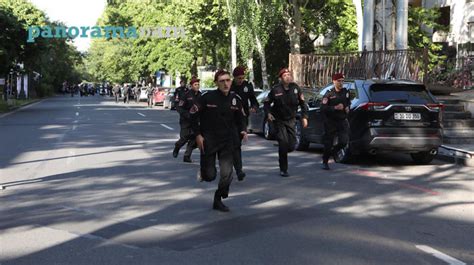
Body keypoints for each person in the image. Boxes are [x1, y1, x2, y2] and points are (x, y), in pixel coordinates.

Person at [190, 69, 247, 212]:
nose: (226, 83)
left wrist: (243, 130)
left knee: (227, 175)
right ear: (216, 83)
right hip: (209, 140)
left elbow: (241, 118)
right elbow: (192, 115)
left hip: (227, 141)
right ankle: (204, 173)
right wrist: (197, 135)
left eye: (228, 80)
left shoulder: (235, 98)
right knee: (210, 176)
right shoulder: (207, 97)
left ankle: (218, 198)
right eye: (222, 81)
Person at [263, 68, 308, 177]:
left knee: (292, 145)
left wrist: (304, 117)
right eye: (285, 75)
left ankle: (282, 151)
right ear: (281, 78)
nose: (288, 77)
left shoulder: (296, 88)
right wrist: (268, 113)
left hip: (291, 120)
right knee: (283, 143)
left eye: (289, 74)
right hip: (279, 120)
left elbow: (303, 104)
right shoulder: (276, 90)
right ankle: (283, 169)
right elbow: (267, 104)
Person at [230, 66, 259, 181]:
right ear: (234, 77)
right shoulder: (229, 86)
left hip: (242, 119)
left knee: (237, 144)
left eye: (242, 78)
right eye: (238, 78)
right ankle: (236, 169)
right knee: (232, 145)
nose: (240, 80)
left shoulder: (247, 86)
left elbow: (253, 100)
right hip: (229, 119)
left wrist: (254, 107)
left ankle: (238, 170)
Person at [320, 73, 351, 170]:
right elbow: (323, 108)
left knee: (344, 141)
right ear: (334, 81)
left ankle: (334, 151)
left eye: (342, 81)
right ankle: (325, 161)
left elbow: (348, 102)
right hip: (331, 121)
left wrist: (347, 108)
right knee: (328, 143)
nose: (341, 83)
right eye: (339, 81)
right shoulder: (329, 94)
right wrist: (335, 108)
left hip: (342, 120)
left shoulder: (346, 92)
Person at [173, 77, 201, 162]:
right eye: (195, 84)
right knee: (184, 138)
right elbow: (179, 107)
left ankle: (187, 156)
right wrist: (187, 114)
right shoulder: (186, 95)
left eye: (198, 84)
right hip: (185, 120)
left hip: (195, 120)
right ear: (191, 86)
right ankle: (177, 146)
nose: (197, 86)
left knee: (194, 139)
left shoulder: (200, 95)